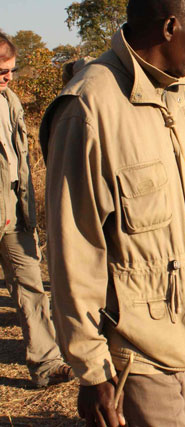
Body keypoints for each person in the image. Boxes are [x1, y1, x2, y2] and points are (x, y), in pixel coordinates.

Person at [39, 1, 185, 426]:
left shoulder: (177, 97)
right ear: (169, 27)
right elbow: (74, 250)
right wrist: (90, 369)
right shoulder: (89, 108)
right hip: (135, 355)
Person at [0, 32, 74, 389]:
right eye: (1, 70)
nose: (8, 77)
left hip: (15, 211)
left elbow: (21, 161)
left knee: (31, 285)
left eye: (11, 70)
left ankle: (46, 364)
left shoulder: (11, 100)